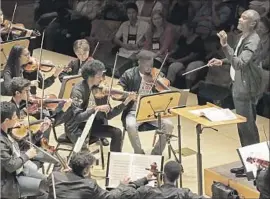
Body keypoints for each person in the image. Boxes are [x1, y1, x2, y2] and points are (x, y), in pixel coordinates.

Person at [208, 9, 264, 175]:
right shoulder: (244, 37)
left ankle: (256, 168)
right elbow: (236, 59)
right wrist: (223, 61)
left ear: (253, 23)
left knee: (248, 129)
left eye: (244, 18)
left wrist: (225, 46)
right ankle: (248, 163)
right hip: (239, 86)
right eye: (240, 16)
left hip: (246, 89)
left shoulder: (253, 40)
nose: (240, 19)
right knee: (242, 128)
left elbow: (240, 64)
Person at [64, 59, 136, 152]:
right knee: (84, 151)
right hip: (77, 127)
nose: (102, 78)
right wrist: (95, 109)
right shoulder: (78, 91)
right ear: (90, 77)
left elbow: (109, 115)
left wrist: (126, 102)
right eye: (99, 76)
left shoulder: (100, 90)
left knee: (117, 132)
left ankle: (113, 162)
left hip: (92, 125)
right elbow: (78, 118)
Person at [117, 50, 174, 155]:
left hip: (153, 111)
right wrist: (120, 92)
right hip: (134, 111)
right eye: (146, 64)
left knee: (169, 125)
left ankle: (156, 153)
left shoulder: (157, 74)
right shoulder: (129, 74)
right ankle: (139, 152)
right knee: (130, 125)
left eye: (151, 64)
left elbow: (166, 89)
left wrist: (158, 81)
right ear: (139, 62)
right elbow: (120, 86)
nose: (149, 67)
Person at [48, 151, 153, 199]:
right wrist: (122, 185)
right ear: (85, 171)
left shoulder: (53, 176)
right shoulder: (89, 185)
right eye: (91, 167)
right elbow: (111, 196)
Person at [0, 101, 47, 199]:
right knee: (43, 191)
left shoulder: (8, 131)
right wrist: (27, 156)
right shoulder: (1, 142)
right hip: (8, 180)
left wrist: (39, 131)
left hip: (20, 169)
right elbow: (11, 166)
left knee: (47, 182)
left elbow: (24, 144)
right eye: (14, 117)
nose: (17, 119)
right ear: (6, 120)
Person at [127, 160, 205, 199]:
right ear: (178, 177)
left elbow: (126, 192)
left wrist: (145, 179)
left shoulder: (146, 191)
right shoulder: (184, 194)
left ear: (163, 175)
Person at [166, 23, 205, 88]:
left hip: (196, 62)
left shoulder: (198, 41)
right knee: (173, 67)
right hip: (182, 61)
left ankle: (188, 89)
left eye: (184, 29)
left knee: (191, 67)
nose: (182, 31)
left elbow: (191, 57)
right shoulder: (182, 38)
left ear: (191, 30)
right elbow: (176, 49)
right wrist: (169, 54)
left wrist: (176, 60)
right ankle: (168, 87)